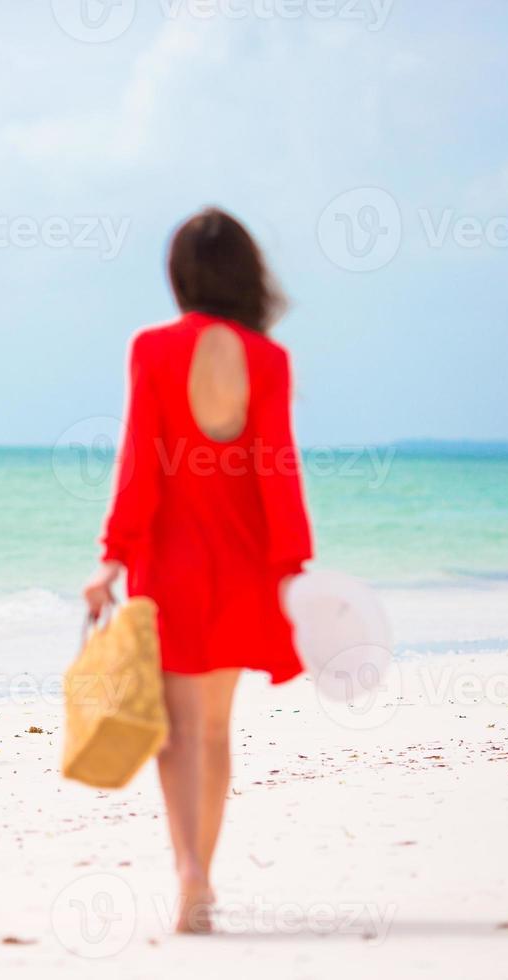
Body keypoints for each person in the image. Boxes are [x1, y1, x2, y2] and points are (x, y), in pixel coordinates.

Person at [82, 208, 314, 933]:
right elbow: (278, 465)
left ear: (179, 275)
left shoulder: (152, 348)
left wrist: (112, 555)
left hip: (171, 562)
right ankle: (202, 875)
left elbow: (139, 462)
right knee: (215, 730)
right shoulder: (268, 359)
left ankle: (187, 873)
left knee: (176, 733)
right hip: (244, 561)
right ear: (249, 274)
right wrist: (291, 565)